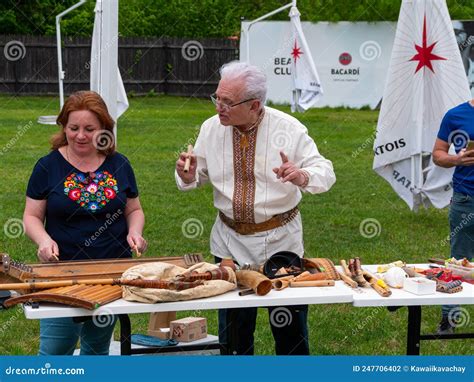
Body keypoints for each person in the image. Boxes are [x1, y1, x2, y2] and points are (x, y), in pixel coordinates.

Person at [175, 61, 335, 355]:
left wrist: (302, 175)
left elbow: (326, 172)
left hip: (281, 241)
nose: (218, 107)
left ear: (254, 105)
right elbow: (196, 173)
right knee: (234, 332)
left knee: (290, 330)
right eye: (217, 98)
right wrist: (187, 176)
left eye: (227, 102)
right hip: (228, 242)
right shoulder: (211, 129)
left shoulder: (289, 129)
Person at [23, 90, 147, 355]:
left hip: (111, 271)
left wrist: (135, 232)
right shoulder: (47, 167)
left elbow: (133, 209)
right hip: (62, 272)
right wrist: (44, 240)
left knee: (97, 349)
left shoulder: (119, 164)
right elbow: (31, 216)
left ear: (104, 129)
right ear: (63, 127)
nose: (80, 135)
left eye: (89, 128)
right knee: (55, 353)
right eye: (73, 128)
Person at [432, 98, 474, 334]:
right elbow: (438, 154)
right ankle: (450, 318)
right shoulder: (455, 115)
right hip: (467, 199)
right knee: (459, 261)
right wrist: (457, 159)